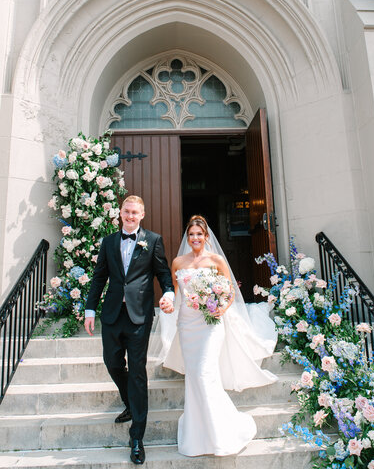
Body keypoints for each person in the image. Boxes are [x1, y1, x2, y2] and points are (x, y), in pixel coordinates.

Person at [161, 215, 278, 457]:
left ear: (206, 237)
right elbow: (173, 291)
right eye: (191, 234)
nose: (195, 238)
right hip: (187, 325)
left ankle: (222, 432)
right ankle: (198, 434)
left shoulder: (215, 260)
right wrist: (169, 303)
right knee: (194, 378)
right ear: (187, 236)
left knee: (205, 374)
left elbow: (230, 290)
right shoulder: (178, 262)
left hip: (211, 324)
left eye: (199, 234)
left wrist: (221, 308)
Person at [84, 195, 174, 465]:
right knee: (112, 363)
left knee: (137, 371)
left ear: (142, 214)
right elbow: (100, 275)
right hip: (112, 314)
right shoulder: (109, 241)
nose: (130, 216)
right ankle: (130, 402)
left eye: (135, 212)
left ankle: (137, 437)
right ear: (120, 213)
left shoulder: (154, 240)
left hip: (138, 316)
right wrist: (90, 309)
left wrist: (168, 292)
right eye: (127, 211)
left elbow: (163, 272)